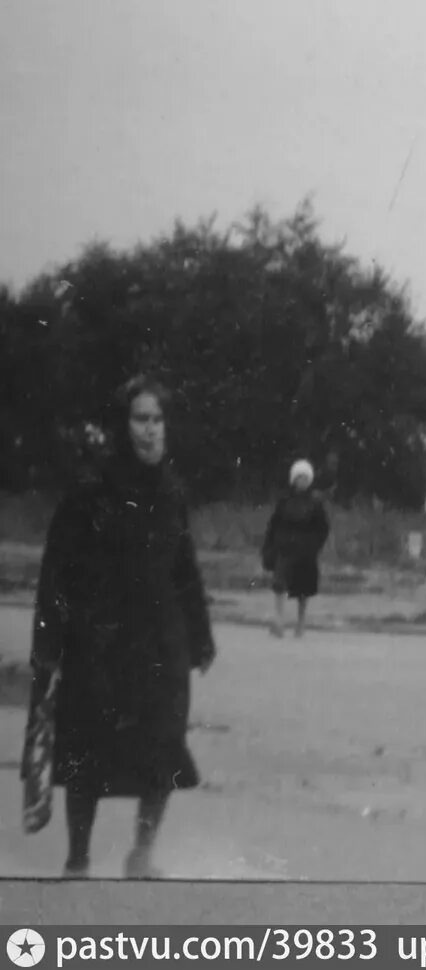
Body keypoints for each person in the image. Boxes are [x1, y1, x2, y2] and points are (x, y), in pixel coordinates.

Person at [31, 376, 215, 879]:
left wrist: (199, 635)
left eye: (158, 420)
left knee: (163, 745)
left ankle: (142, 854)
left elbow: (184, 570)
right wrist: (48, 642)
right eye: (141, 418)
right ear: (123, 424)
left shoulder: (172, 491)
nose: (151, 431)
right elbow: (57, 569)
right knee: (89, 749)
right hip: (100, 642)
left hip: (161, 642)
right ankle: (78, 860)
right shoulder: (92, 488)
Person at [261, 460, 332, 638]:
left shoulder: (315, 503)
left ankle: (300, 623)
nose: (302, 481)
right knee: (279, 585)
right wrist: (269, 547)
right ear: (293, 479)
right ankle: (279, 620)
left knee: (303, 590)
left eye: (305, 478)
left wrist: (314, 546)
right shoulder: (284, 501)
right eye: (299, 477)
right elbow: (273, 525)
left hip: (306, 552)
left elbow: (323, 528)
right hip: (284, 549)